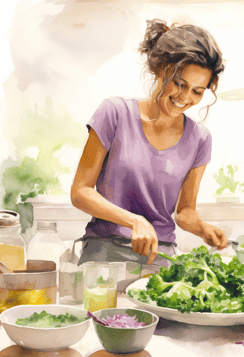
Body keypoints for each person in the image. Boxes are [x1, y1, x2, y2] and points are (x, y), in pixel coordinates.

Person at [71, 18, 228, 271]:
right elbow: (80, 192)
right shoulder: (114, 113)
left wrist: (203, 228)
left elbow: (185, 211)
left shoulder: (200, 138)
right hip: (103, 253)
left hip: (160, 258)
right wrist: (134, 221)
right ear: (160, 69)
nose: (185, 98)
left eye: (198, 92)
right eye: (179, 84)